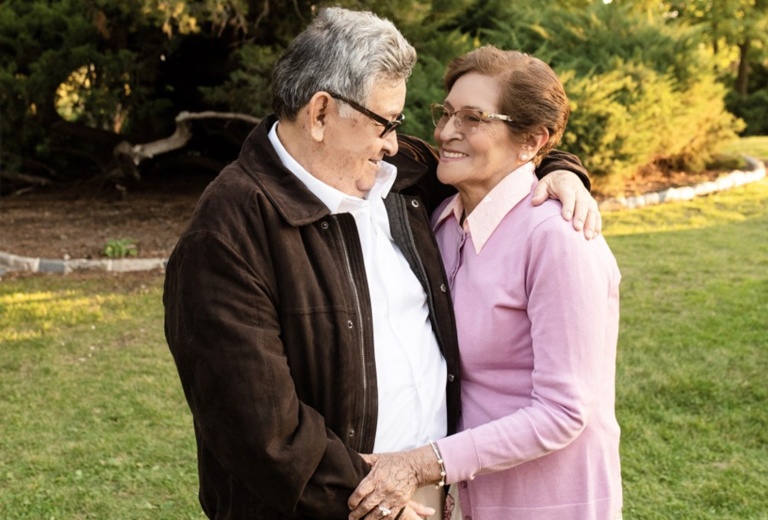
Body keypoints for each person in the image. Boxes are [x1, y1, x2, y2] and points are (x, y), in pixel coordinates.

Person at [164, 9, 599, 520]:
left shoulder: (405, 177)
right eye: (384, 123)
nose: (396, 141)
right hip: (340, 509)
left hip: (435, 497)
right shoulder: (226, 235)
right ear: (321, 114)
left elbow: (501, 151)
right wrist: (377, 501)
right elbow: (258, 430)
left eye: (399, 124)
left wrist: (563, 170)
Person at [347, 46, 622, 520]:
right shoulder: (441, 222)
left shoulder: (559, 240)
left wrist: (424, 463)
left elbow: (564, 411)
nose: (446, 132)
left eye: (474, 117)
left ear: (532, 141)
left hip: (548, 502)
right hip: (467, 500)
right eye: (447, 113)